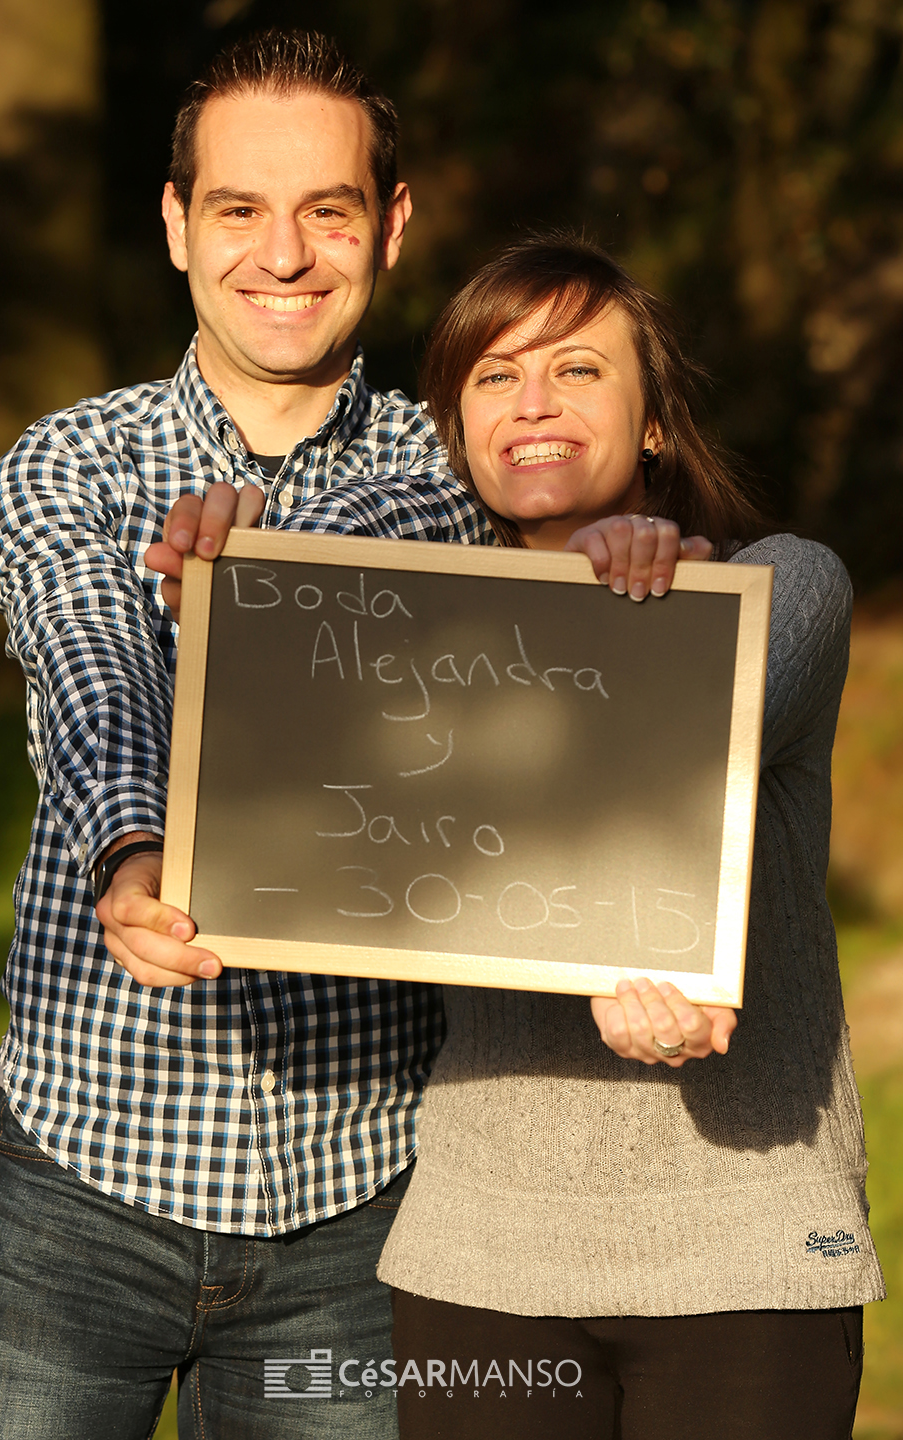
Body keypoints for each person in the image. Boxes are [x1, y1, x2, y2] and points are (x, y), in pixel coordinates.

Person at [0, 29, 497, 1440]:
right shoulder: (71, 460)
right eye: (241, 210)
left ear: (394, 222)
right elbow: (96, 670)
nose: (287, 256)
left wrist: (286, 550)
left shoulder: (464, 465)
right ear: (178, 224)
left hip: (368, 1207)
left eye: (329, 210)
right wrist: (134, 851)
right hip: (79, 1190)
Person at [241, 234, 882, 1438]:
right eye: (494, 376)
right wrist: (220, 576)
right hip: (481, 1259)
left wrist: (641, 610)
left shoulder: (788, 584)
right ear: (458, 431)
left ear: (653, 423)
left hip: (745, 1247)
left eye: (579, 370)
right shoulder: (400, 655)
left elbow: (690, 723)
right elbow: (284, 801)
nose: (533, 402)